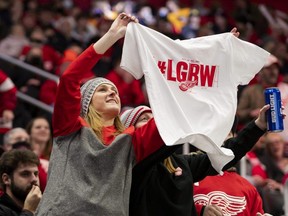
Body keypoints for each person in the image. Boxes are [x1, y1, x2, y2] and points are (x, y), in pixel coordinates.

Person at [35, 13, 166, 216]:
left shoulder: (132, 140)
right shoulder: (70, 126)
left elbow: (170, 116)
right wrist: (112, 36)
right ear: (86, 102)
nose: (112, 92)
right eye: (103, 90)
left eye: (114, 91)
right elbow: (70, 78)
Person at [120, 104, 269, 216]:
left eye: (155, 120)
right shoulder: (130, 168)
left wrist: (259, 126)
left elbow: (225, 154)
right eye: (144, 120)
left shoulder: (182, 164)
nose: (154, 124)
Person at [0, 149, 42, 215]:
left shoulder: (43, 208)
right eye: (25, 174)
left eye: (36, 174)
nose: (34, 179)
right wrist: (29, 211)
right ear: (6, 179)